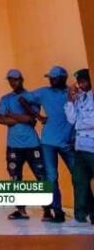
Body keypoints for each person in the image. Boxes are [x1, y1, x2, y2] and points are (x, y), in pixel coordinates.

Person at [0, 69, 47, 220]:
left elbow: (31, 119)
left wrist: (11, 115)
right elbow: (0, 119)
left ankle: (48, 210)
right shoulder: (5, 99)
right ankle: (21, 210)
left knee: (41, 177)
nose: (13, 82)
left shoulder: (31, 97)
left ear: (22, 79)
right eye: (10, 80)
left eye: (16, 79)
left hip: (32, 144)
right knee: (15, 178)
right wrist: (20, 118)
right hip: (13, 145)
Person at [29, 65, 74, 223]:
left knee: (79, 176)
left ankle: (87, 211)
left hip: (68, 142)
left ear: (63, 78)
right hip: (48, 142)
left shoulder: (71, 93)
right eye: (50, 78)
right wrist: (38, 116)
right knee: (51, 178)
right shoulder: (44, 92)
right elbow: (23, 99)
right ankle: (58, 212)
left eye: (54, 78)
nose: (51, 81)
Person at [66, 68, 94, 225]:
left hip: (92, 146)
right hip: (80, 147)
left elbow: (90, 122)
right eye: (79, 82)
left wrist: (80, 124)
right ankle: (80, 216)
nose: (81, 85)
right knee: (79, 181)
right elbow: (72, 119)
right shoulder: (80, 98)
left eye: (83, 81)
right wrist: (70, 101)